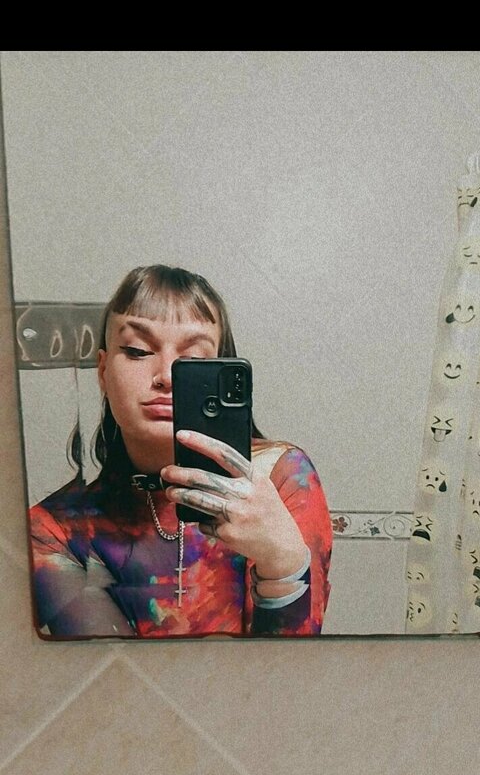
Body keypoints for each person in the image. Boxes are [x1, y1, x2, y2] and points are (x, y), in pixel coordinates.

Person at [29, 266, 333, 638]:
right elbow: (112, 670)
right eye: (138, 351)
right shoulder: (55, 528)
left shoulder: (280, 477)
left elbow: (293, 666)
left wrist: (284, 562)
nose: (166, 376)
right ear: (103, 370)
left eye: (193, 360)